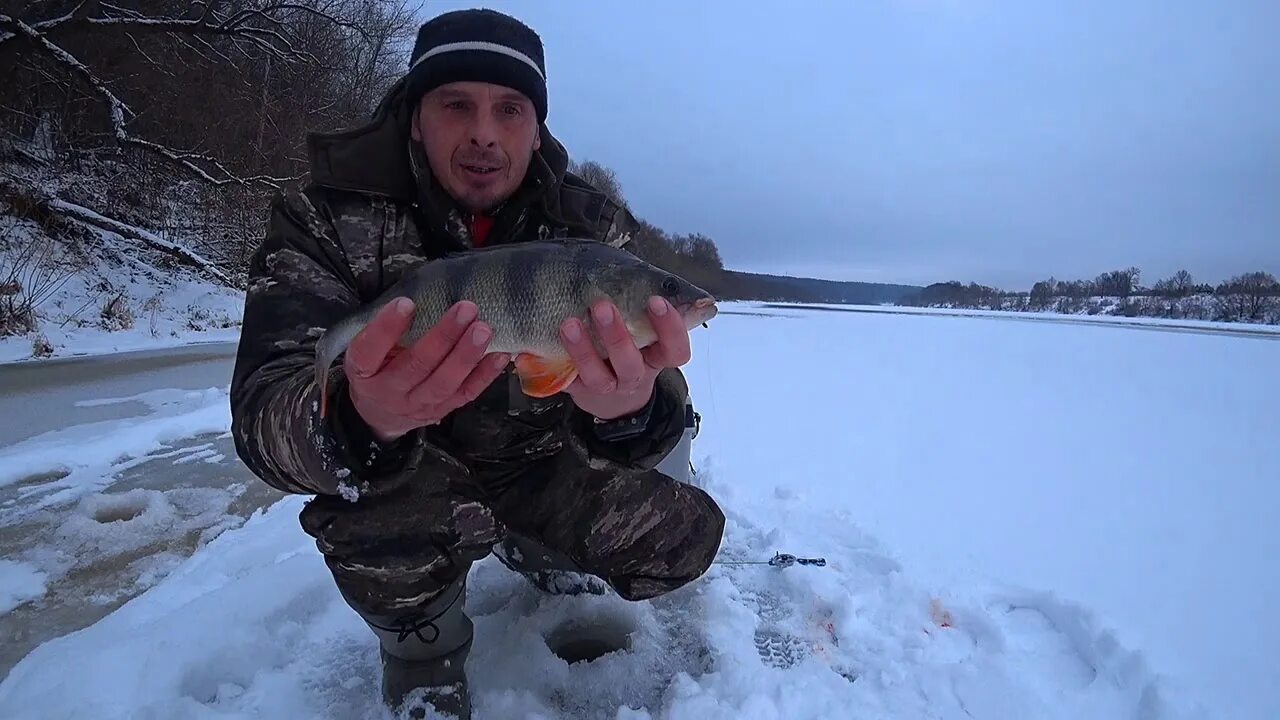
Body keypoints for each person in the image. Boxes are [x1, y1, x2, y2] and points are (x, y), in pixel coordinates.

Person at [228, 7, 725, 719]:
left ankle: (540, 552)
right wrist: (364, 421)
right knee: (378, 529)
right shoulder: (325, 219)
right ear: (415, 116)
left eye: (510, 109)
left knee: (681, 538)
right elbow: (261, 420)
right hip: (405, 475)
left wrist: (634, 413)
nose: (485, 133)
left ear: (536, 124)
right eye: (456, 104)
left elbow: (657, 394)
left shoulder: (593, 233)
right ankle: (421, 651)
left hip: (534, 461)